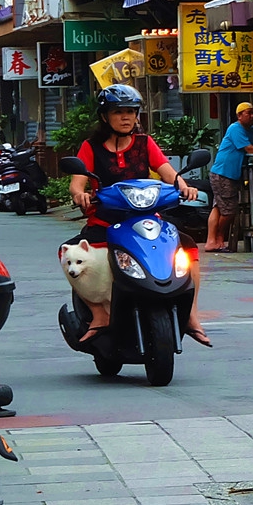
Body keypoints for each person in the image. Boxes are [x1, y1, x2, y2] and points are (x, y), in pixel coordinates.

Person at [66, 84, 212, 346]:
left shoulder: (145, 143)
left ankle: (191, 314)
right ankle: (99, 313)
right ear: (104, 116)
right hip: (105, 221)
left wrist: (185, 187)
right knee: (69, 253)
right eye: (118, 112)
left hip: (147, 220)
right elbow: (77, 183)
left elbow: (169, 173)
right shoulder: (91, 147)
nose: (126, 117)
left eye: (131, 112)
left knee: (187, 249)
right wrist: (80, 194)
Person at [205, 101, 253, 252]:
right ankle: (218, 238)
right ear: (239, 116)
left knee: (219, 207)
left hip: (232, 173)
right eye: (249, 113)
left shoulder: (251, 130)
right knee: (229, 210)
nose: (252, 116)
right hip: (223, 172)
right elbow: (248, 148)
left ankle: (211, 241)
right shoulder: (235, 128)